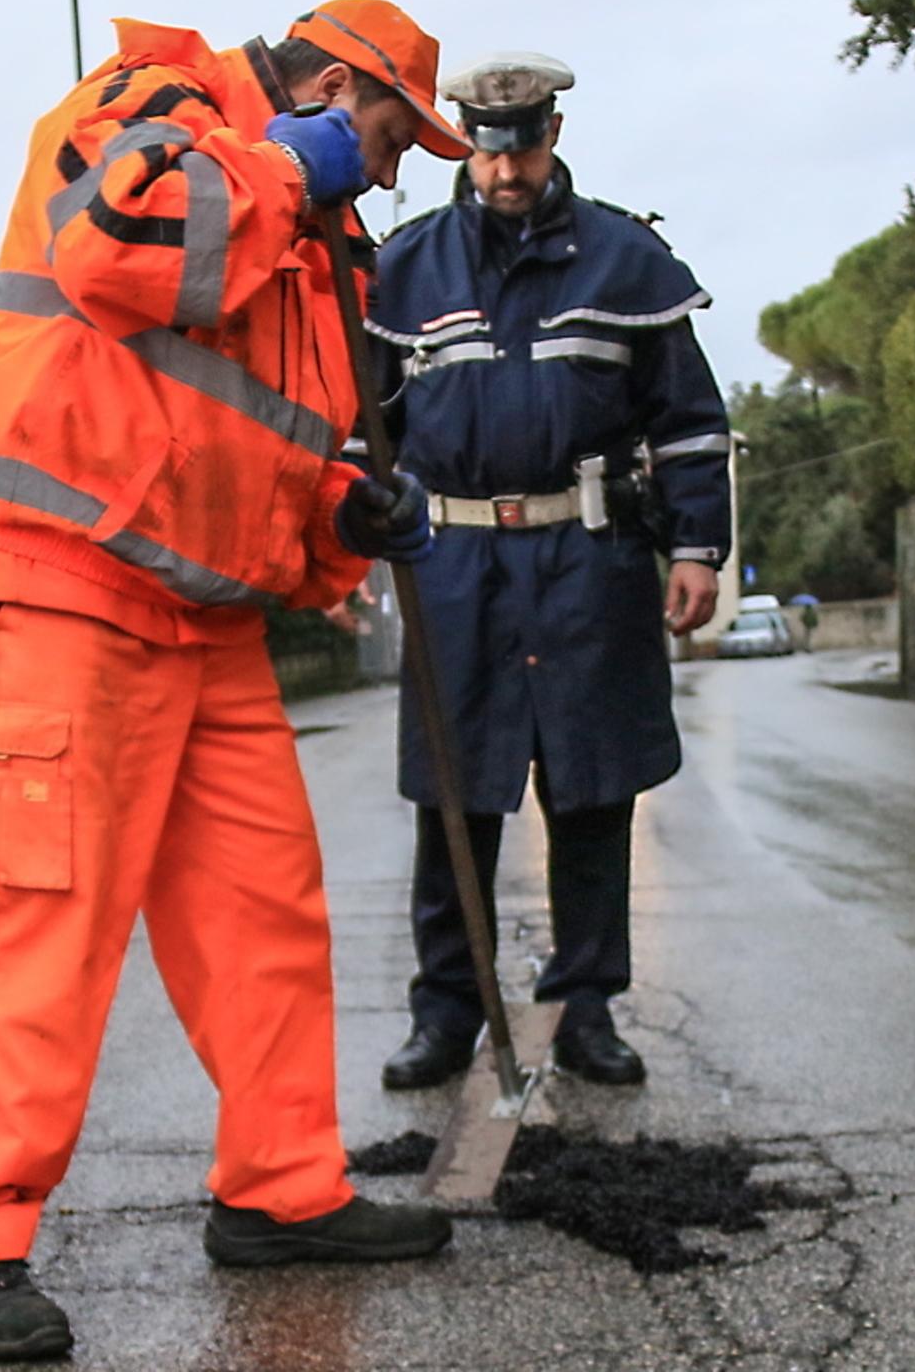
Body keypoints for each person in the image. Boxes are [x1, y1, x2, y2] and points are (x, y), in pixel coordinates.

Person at [0, 0, 470, 1362]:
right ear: (340, 88)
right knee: (50, 918)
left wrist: (340, 513)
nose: (394, 172)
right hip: (58, 584)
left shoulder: (313, 244)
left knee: (263, 914)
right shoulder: (153, 105)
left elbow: (248, 442)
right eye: (394, 134)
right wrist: (297, 164)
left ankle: (279, 1192)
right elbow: (127, 252)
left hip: (198, 617)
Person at [368, 53, 732, 1091]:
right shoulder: (407, 267)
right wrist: (353, 532)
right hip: (452, 563)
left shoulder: (625, 260)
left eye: (521, 148)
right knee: (454, 799)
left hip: (590, 557)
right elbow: (366, 428)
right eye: (486, 152)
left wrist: (696, 548)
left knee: (591, 791)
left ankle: (585, 1008)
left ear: (552, 134)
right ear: (464, 146)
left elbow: (690, 422)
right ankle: (444, 1012)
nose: (504, 171)